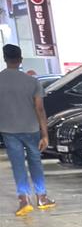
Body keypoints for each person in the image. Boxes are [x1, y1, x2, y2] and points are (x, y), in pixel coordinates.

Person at [1, 43, 55, 215]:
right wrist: (45, 134)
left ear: (5, 59)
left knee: (18, 164)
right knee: (35, 162)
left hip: (9, 130)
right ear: (20, 59)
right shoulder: (32, 81)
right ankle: (42, 197)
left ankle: (24, 200)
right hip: (31, 129)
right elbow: (39, 109)